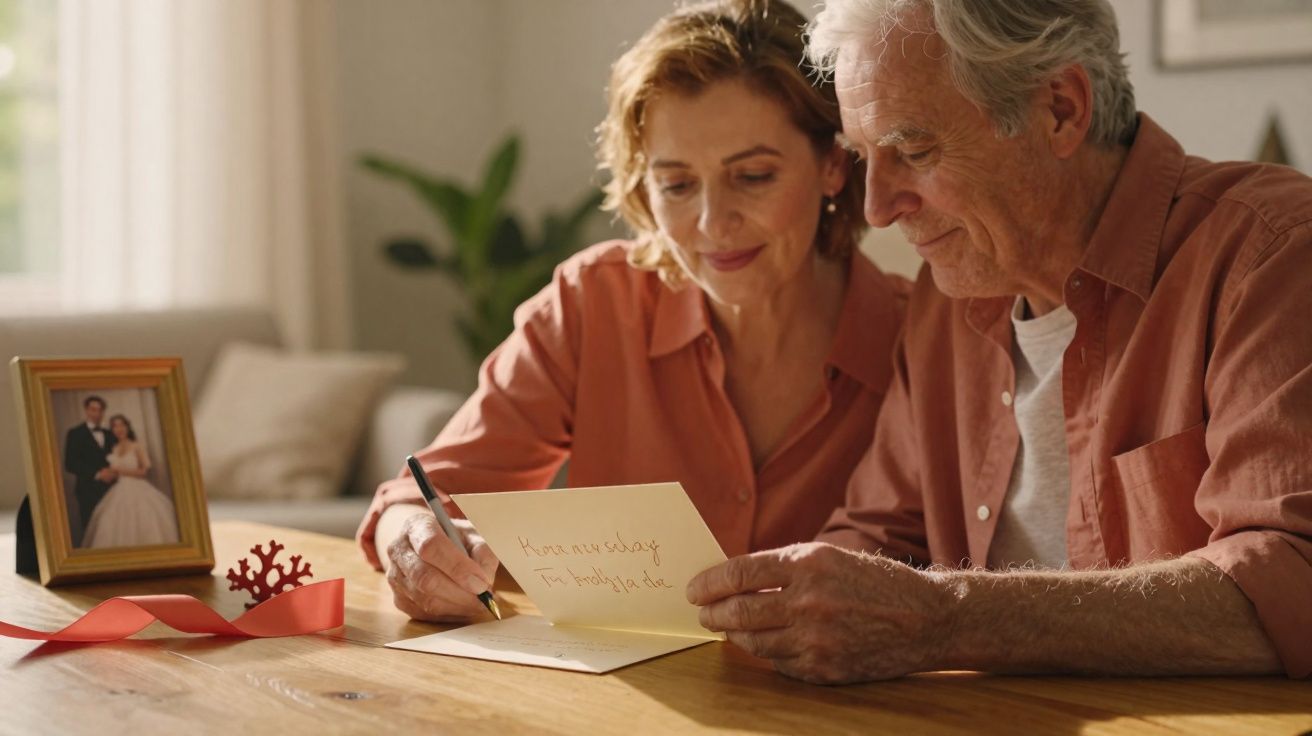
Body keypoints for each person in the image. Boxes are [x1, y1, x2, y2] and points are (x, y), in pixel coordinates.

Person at [687, 0, 1312, 683]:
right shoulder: (944, 301)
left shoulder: (1273, 253)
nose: (876, 206)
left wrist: (950, 617)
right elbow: (877, 539)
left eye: (915, 151)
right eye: (866, 159)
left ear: (1061, 110)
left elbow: (1292, 582)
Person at [356, 0, 910, 622]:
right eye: (676, 184)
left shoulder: (917, 339)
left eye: (752, 176)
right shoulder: (594, 303)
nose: (711, 223)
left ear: (834, 165)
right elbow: (424, 497)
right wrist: (411, 541)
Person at [81, 414, 179, 548]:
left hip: (138, 489)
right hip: (119, 489)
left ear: (127, 427)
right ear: (112, 430)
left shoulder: (136, 446)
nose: (119, 429)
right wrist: (107, 473)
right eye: (115, 426)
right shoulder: (114, 449)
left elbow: (145, 471)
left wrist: (120, 472)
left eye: (122, 425)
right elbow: (113, 472)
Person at [63, 395, 118, 546]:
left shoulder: (110, 433)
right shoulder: (75, 433)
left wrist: (113, 473)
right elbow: (70, 463)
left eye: (100, 410)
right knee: (92, 530)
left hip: (112, 489)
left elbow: (118, 458)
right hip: (87, 490)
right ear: (86, 411)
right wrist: (98, 474)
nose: (97, 414)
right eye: (93, 409)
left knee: (113, 528)